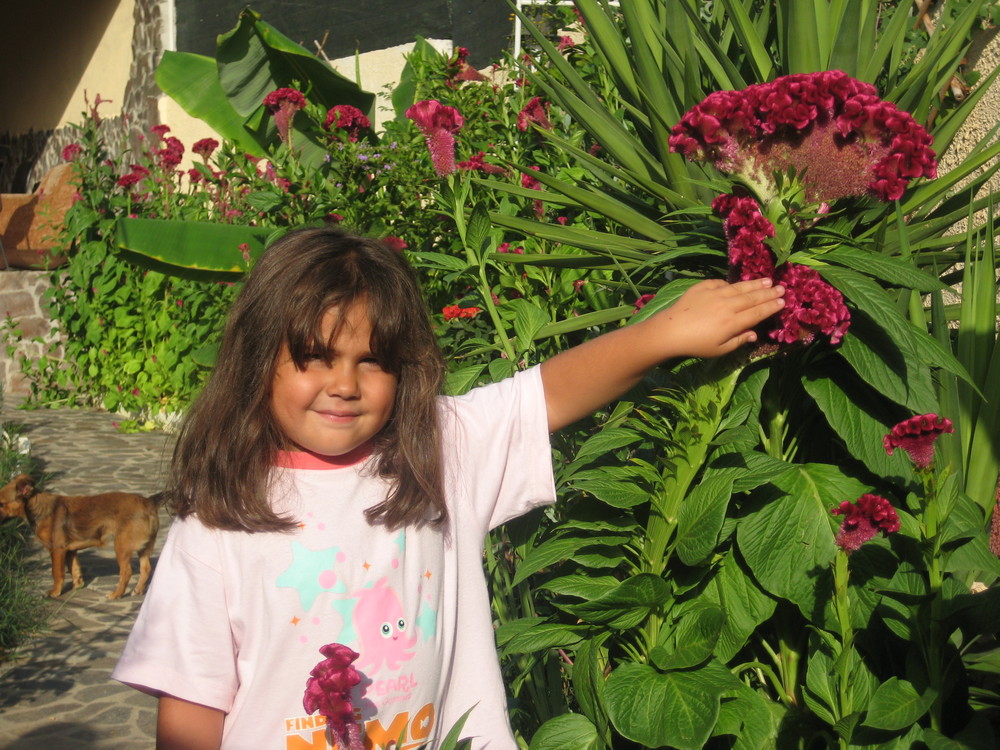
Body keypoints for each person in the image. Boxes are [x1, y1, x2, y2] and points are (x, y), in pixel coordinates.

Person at [112, 226, 784, 750]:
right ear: (259, 360)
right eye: (314, 358)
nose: (343, 385)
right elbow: (191, 711)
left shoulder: (435, 451)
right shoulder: (218, 523)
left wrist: (662, 335)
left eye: (371, 362)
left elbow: (543, 396)